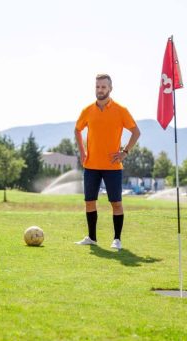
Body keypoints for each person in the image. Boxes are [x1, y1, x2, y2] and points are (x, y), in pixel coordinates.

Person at [73, 74, 141, 250]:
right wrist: (82, 152)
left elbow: (136, 132)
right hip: (91, 165)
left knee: (116, 203)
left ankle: (117, 239)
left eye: (103, 87)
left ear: (110, 88)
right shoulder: (87, 110)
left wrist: (124, 152)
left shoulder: (120, 110)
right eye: (97, 87)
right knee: (89, 202)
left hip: (112, 166)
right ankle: (92, 237)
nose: (100, 90)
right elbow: (77, 129)